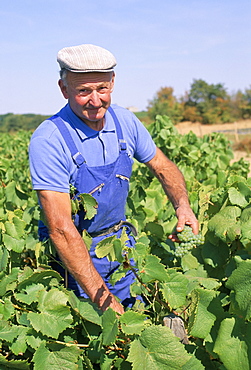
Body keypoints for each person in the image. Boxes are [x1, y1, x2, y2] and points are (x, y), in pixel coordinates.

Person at [29, 43, 198, 315]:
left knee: (136, 321)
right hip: (74, 257)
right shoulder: (49, 140)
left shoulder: (125, 121)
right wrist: (105, 300)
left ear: (113, 83)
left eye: (102, 89)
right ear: (64, 89)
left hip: (121, 247)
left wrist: (183, 206)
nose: (95, 100)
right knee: (99, 336)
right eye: (83, 91)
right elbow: (61, 229)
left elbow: (163, 166)